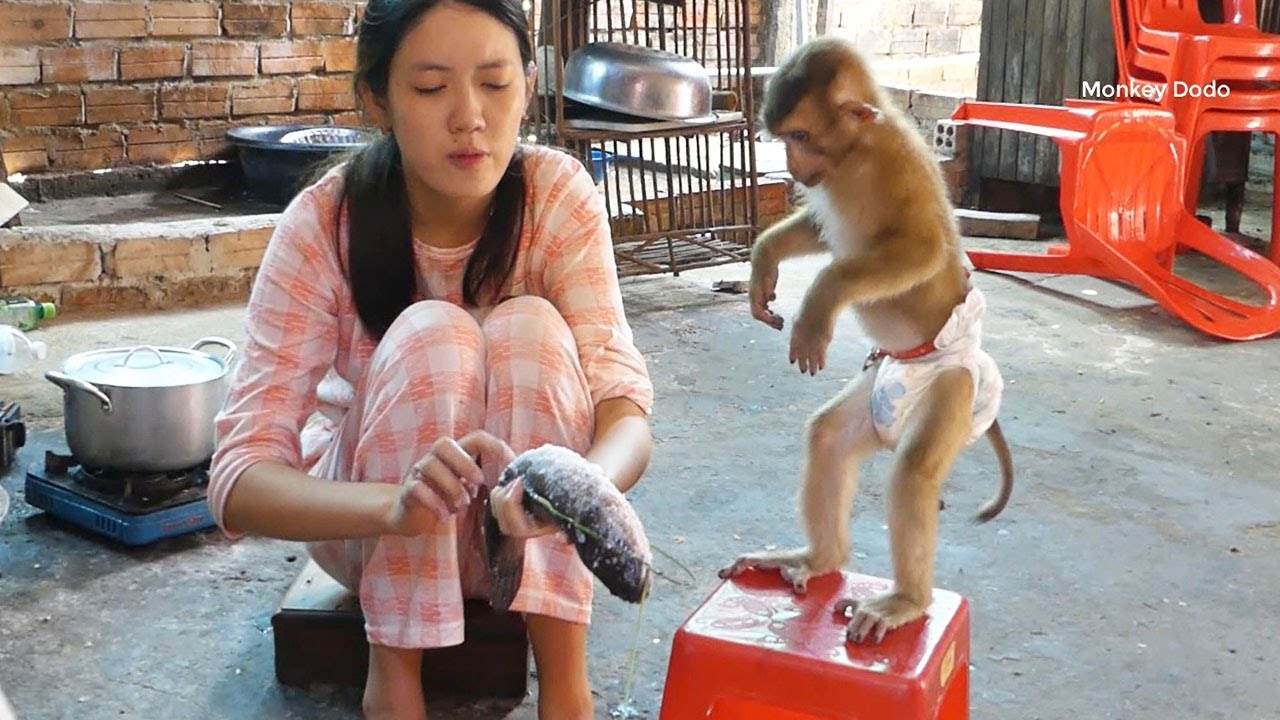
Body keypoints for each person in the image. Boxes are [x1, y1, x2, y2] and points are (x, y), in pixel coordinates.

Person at [207, 0, 655, 717]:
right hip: (377, 532)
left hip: (518, 535)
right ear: (376, 99)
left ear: (529, 84)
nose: (469, 116)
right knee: (434, 334)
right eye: (430, 87)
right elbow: (237, 480)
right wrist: (394, 507)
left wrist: (579, 493)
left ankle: (566, 681)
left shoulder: (558, 196)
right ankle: (395, 674)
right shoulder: (325, 222)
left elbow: (622, 403)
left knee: (532, 327)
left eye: (494, 82)